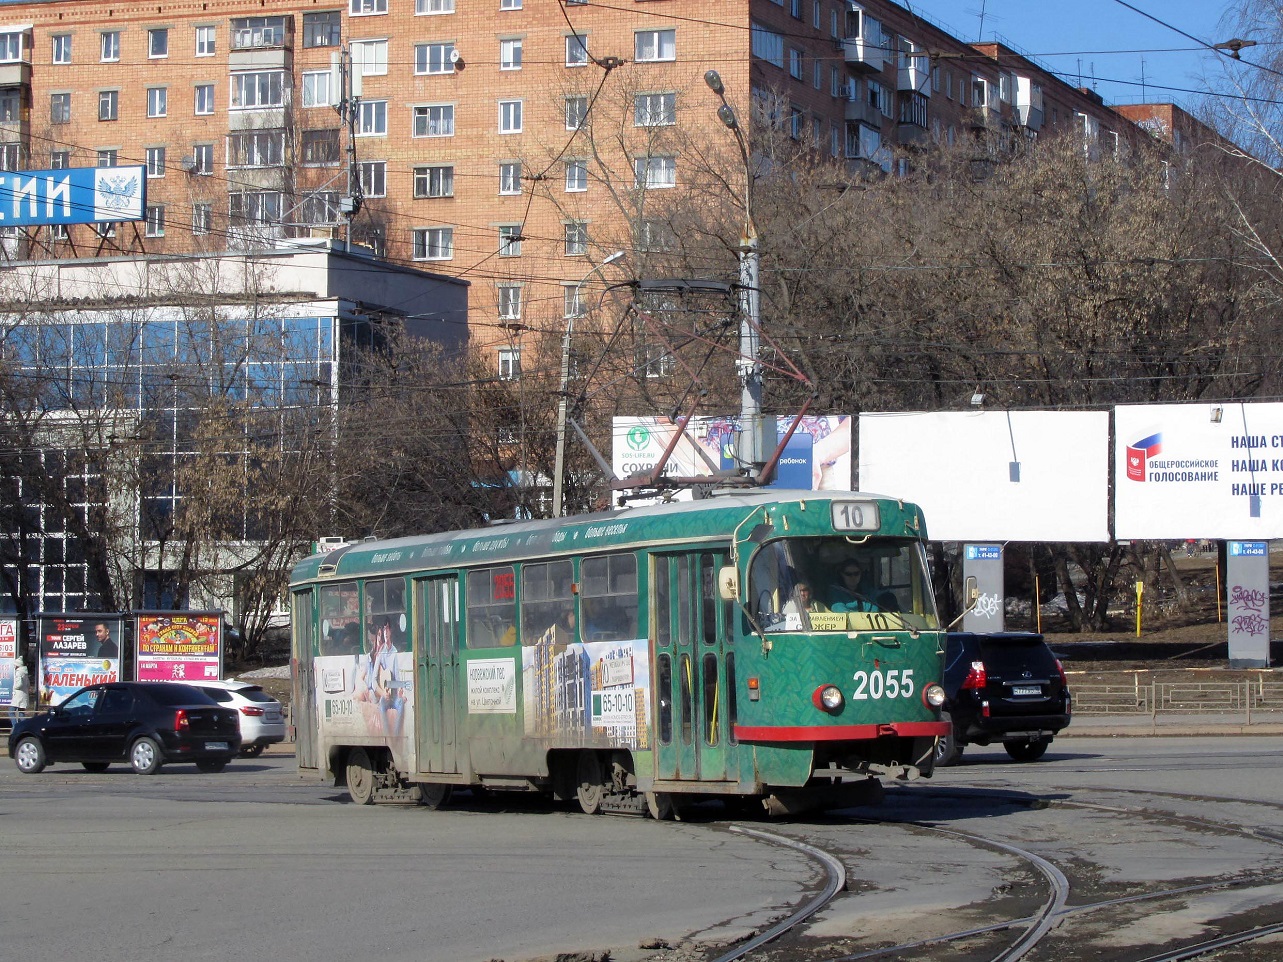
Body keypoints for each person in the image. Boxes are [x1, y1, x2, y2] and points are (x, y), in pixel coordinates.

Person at [10, 658, 29, 724]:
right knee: (21, 713)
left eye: (15, 665)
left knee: (11, 712)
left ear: (17, 665)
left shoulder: (18, 672)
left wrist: (14, 687)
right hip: (24, 695)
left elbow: (19, 684)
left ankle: (15, 727)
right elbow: (28, 684)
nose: (14, 666)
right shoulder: (25, 673)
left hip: (18, 696)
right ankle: (24, 727)